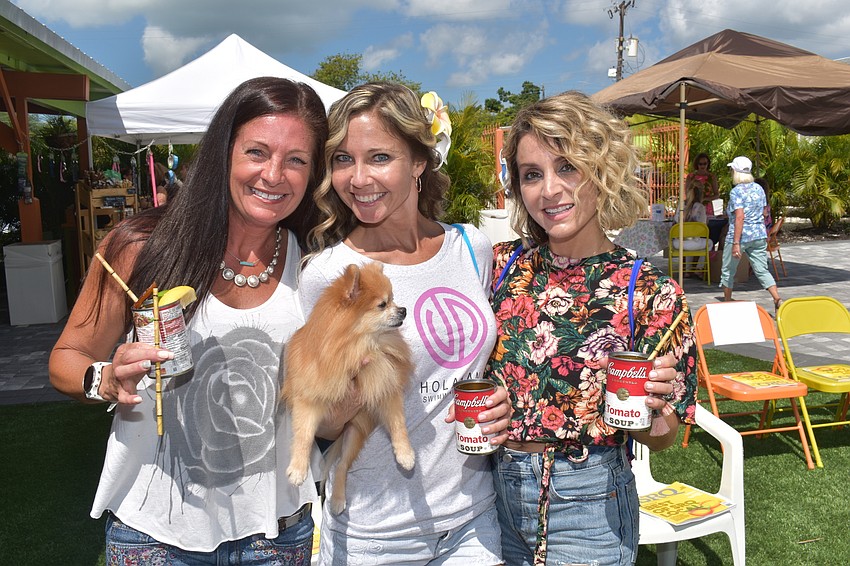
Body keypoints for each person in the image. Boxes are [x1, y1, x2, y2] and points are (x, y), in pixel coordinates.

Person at [49, 77, 329, 565]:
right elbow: (65, 359)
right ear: (224, 154)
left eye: (296, 160)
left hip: (277, 534)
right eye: (257, 152)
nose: (274, 174)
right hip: (154, 534)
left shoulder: (316, 261)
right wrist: (105, 379)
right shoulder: (139, 247)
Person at [300, 82, 510, 565]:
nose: (357, 178)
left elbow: (481, 361)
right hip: (374, 533)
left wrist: (502, 397)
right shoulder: (330, 277)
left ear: (419, 161)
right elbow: (317, 424)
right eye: (342, 160)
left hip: (472, 518)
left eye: (378, 157)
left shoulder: (471, 247)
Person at [485, 91, 698, 566]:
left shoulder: (651, 292)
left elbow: (665, 435)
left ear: (602, 170)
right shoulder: (499, 268)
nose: (549, 190)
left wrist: (652, 409)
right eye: (532, 175)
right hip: (488, 496)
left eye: (567, 167)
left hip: (590, 508)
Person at [720, 156, 783, 311]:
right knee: (762, 270)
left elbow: (739, 217)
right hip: (758, 235)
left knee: (728, 270)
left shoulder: (736, 192)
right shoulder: (759, 189)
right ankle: (777, 298)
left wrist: (736, 243)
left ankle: (727, 300)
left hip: (739, 236)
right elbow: (764, 212)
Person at [673, 182, 713, 275]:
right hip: (693, 242)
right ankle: (698, 268)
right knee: (709, 243)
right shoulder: (700, 207)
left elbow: (675, 220)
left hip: (678, 243)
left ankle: (686, 269)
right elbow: (703, 227)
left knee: (688, 239)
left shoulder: (680, 206)